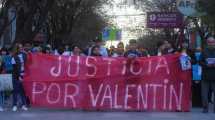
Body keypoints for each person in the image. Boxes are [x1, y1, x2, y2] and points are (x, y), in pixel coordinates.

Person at [11, 44, 28, 112]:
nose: (21, 48)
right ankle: (14, 105)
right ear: (17, 49)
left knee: (23, 91)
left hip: (24, 75)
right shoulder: (14, 57)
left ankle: (23, 105)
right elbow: (14, 69)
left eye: (21, 47)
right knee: (16, 91)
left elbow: (29, 62)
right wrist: (19, 77)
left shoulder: (24, 55)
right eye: (19, 47)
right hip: (16, 76)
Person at [200, 37, 215, 113]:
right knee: (204, 94)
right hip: (205, 76)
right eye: (209, 42)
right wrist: (206, 64)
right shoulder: (204, 51)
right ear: (207, 43)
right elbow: (200, 62)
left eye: (212, 42)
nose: (211, 43)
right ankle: (205, 108)